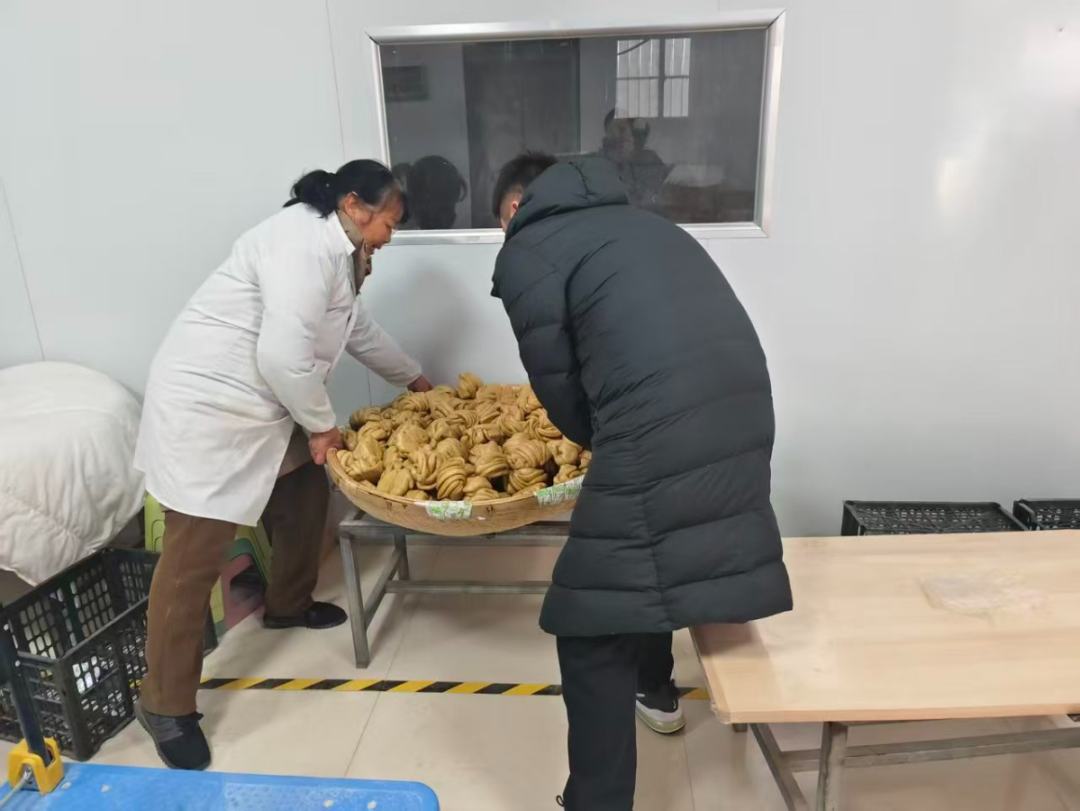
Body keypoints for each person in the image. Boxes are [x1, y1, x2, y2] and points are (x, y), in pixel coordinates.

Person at [490, 153, 792, 811]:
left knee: (589, 620)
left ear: (514, 208)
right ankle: (655, 688)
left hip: (661, 426)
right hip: (744, 409)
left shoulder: (527, 248)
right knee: (642, 561)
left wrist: (600, 440)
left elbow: (560, 387)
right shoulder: (652, 226)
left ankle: (596, 802)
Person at [133, 159, 431, 771]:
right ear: (355, 205)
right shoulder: (301, 246)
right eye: (390, 222)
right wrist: (322, 427)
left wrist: (416, 379)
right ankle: (163, 705)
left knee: (305, 494)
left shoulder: (339, 249)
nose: (390, 236)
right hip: (210, 409)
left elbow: (355, 329)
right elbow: (281, 355)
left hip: (265, 401)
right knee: (192, 559)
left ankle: (288, 604)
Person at [598, 109, 669, 209]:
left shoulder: (650, 161)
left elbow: (650, 200)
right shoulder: (598, 164)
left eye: (622, 130)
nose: (619, 138)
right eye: (612, 135)